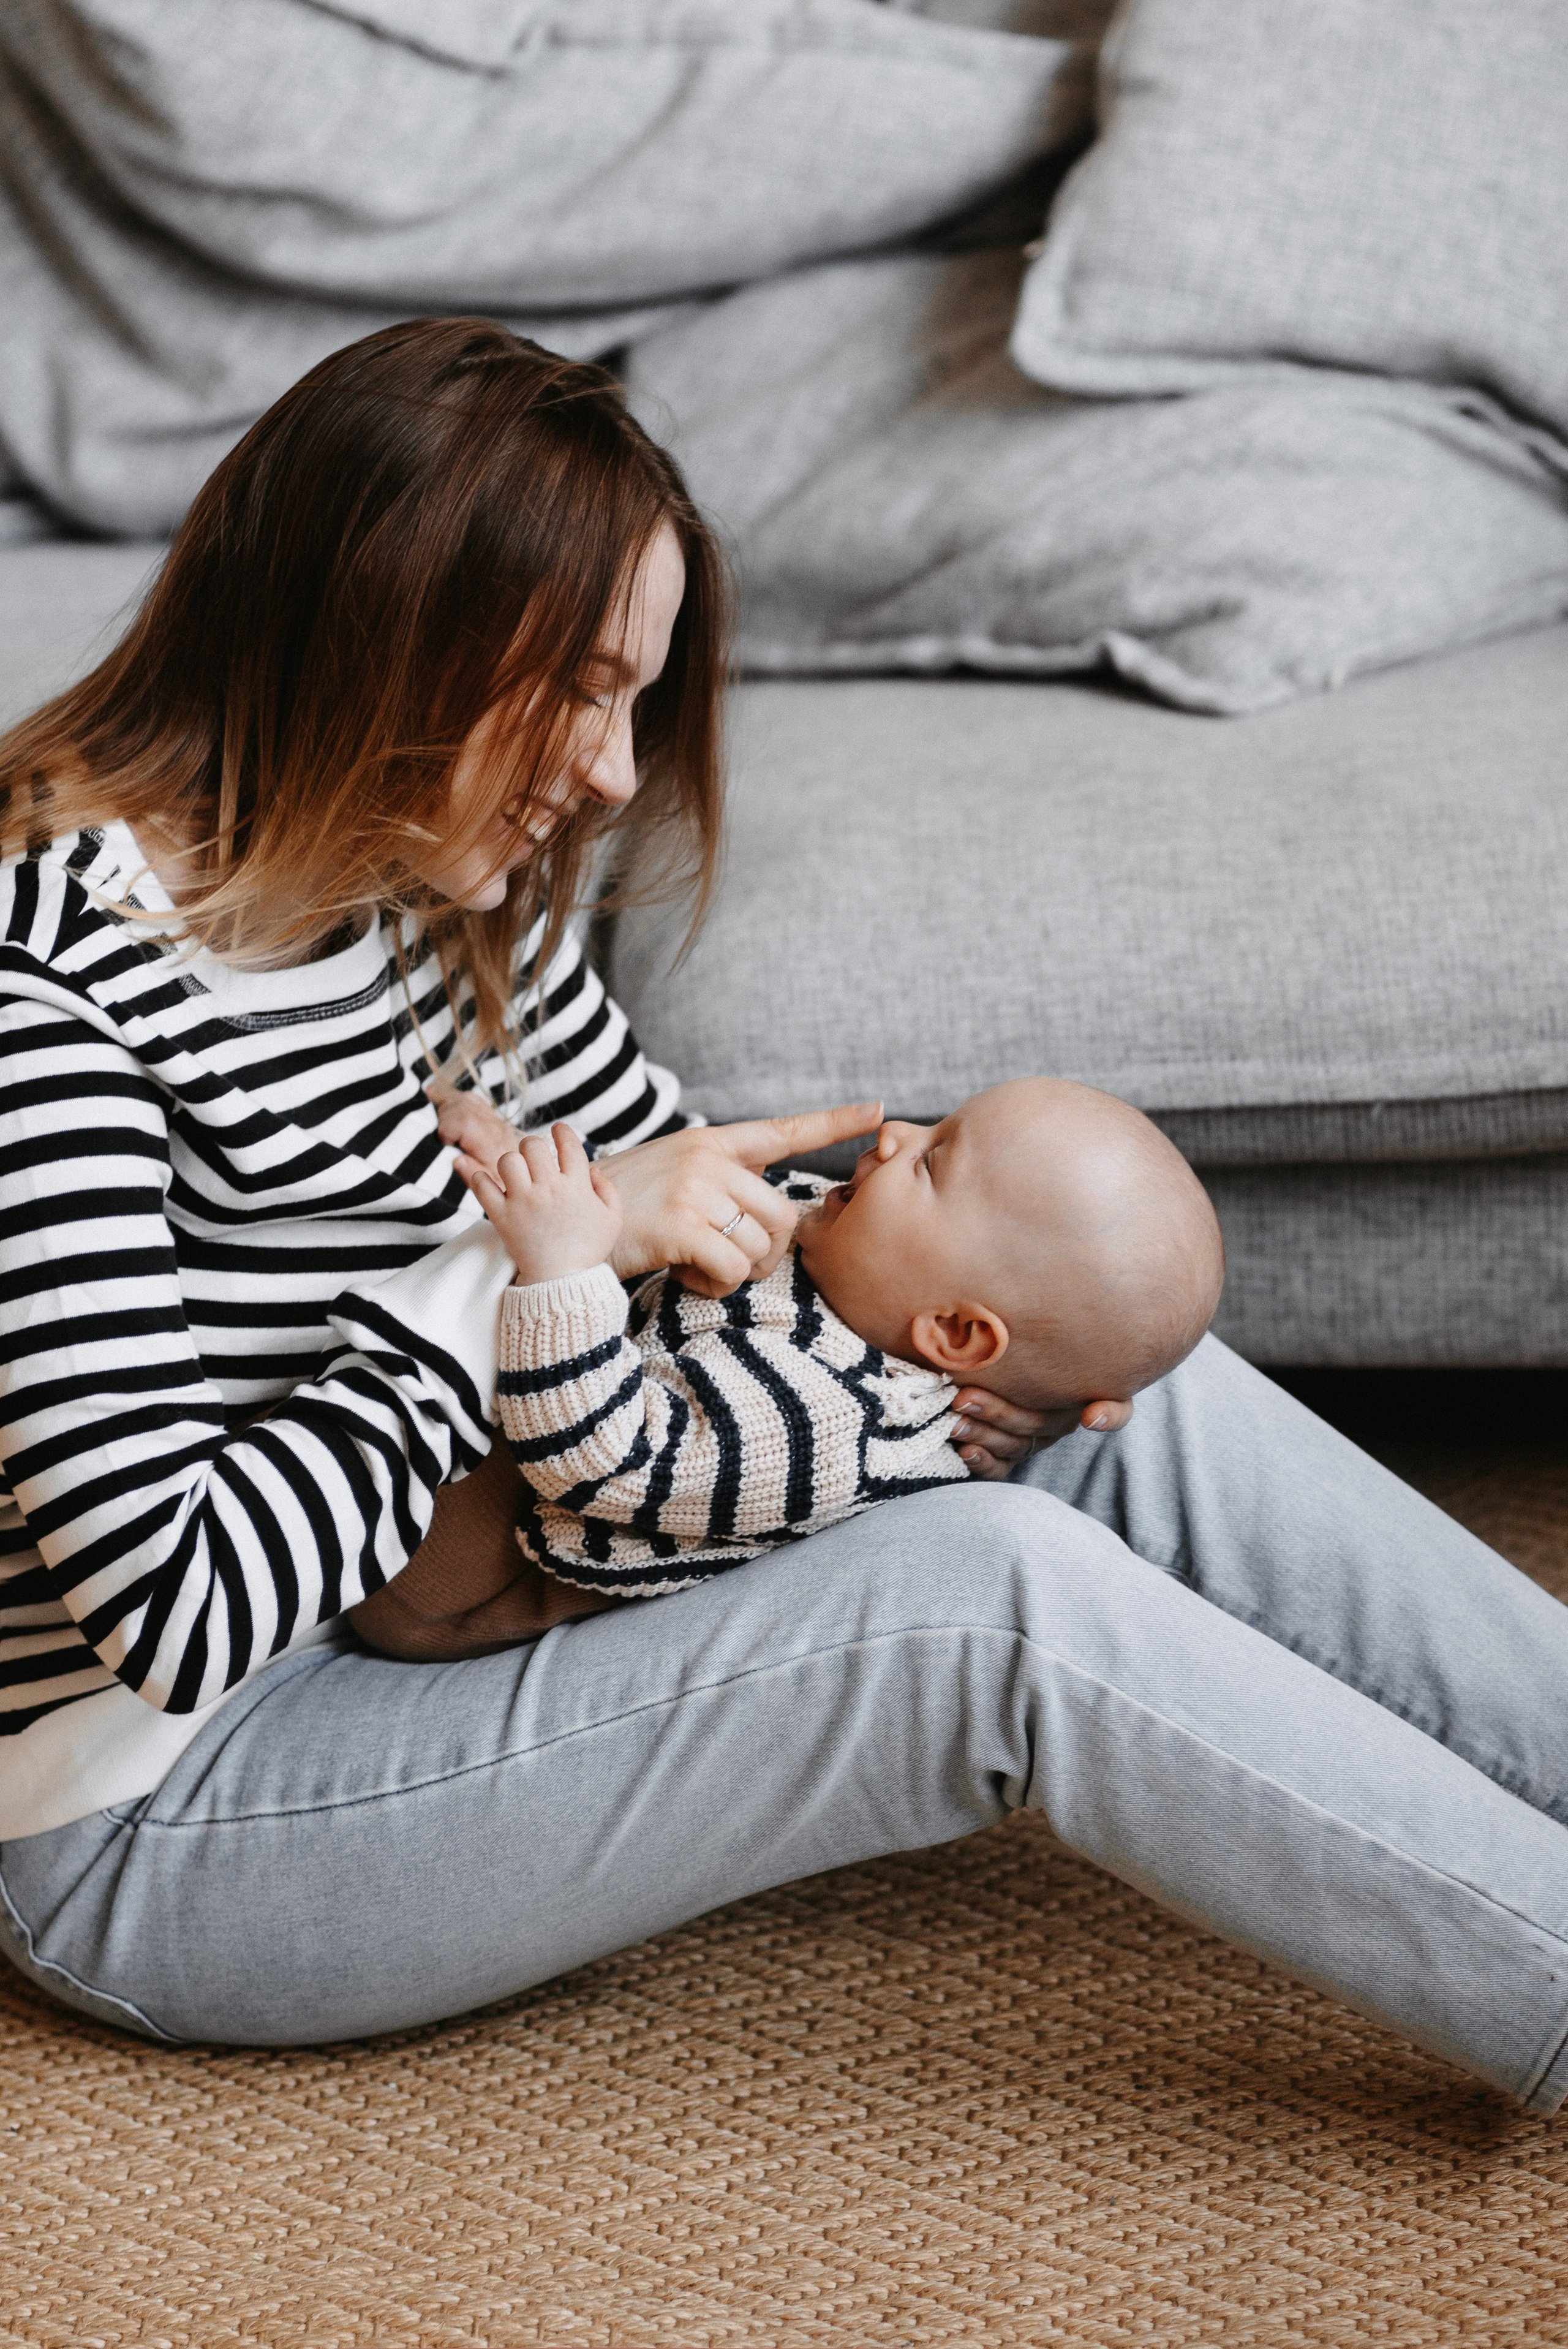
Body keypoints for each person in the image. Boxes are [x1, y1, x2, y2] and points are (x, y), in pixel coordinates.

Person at [3, 322, 1568, 2114]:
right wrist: (517, 1279)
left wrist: (931, 1345)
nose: (605, 772)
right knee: (990, 1600)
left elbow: (706, 1262)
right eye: (579, 688)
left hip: (470, 1592)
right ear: (382, 627)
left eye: (630, 701)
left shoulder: (440, 910)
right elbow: (177, 1611)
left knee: (1097, 1343)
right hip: (173, 1811)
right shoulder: (50, 1000)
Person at [344, 1076, 1223, 1619]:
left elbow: (602, 1460)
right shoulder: (847, 1249)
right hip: (588, 1379)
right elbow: (654, 1220)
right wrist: (536, 1171)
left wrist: (557, 1260)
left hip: (465, 1562)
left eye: (929, 1162)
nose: (894, 1136)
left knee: (545, 1297)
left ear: (953, 1334)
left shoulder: (822, 1420)